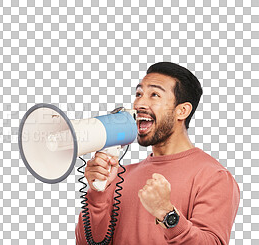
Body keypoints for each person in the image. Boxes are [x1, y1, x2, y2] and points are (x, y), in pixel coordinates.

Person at [75, 62, 240, 244]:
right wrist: (98, 193)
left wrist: (166, 213)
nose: (139, 103)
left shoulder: (213, 176)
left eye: (154, 95)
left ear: (182, 111)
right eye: (138, 94)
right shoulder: (120, 176)